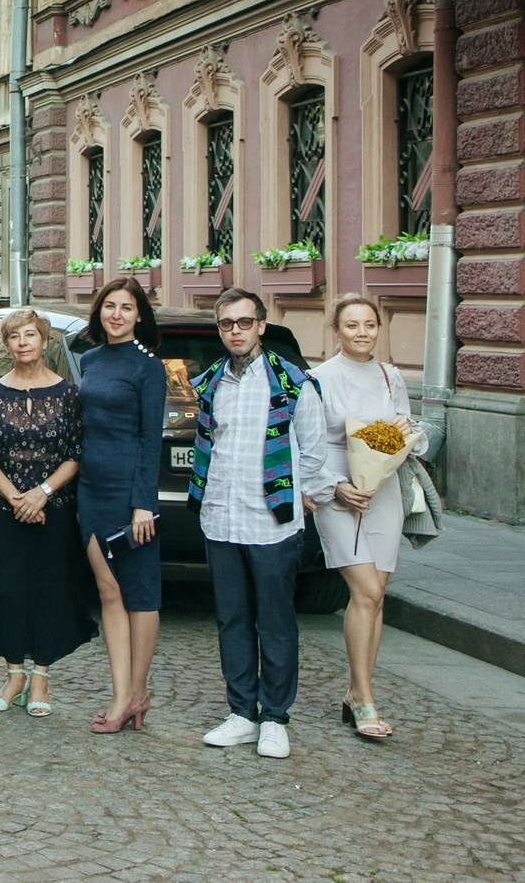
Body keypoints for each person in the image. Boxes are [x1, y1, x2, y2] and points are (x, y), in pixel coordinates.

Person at [191, 287, 336, 760]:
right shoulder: (211, 381)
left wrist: (305, 497)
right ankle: (241, 713)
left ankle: (275, 717)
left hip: (272, 522)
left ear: (261, 326)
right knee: (231, 619)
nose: (236, 331)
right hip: (221, 518)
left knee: (275, 623)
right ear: (220, 329)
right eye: (227, 324)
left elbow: (314, 449)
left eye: (244, 322)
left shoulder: (292, 382)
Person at [310, 293, 429, 741]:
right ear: (336, 331)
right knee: (368, 589)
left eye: (370, 324)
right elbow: (308, 443)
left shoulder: (389, 375)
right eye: (353, 325)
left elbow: (407, 431)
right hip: (338, 491)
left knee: (377, 597)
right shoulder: (318, 379)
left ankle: (358, 690)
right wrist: (335, 486)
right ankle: (363, 699)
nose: (363, 332)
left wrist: (404, 438)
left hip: (383, 490)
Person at [0, 308, 95, 718]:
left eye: (30, 335)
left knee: (50, 588)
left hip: (55, 506)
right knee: (8, 588)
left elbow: (76, 453)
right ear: (6, 346)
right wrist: (16, 499)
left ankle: (41, 675)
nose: (23, 342)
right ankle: (14, 674)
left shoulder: (68, 394)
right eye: (15, 337)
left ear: (45, 341)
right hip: (3, 509)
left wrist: (40, 494)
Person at [75, 278, 168, 734]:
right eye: (109, 306)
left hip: (130, 495)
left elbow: (152, 439)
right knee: (108, 591)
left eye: (126, 308)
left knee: (140, 594)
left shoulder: (149, 368)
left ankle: (136, 692)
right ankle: (120, 693)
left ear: (138, 316)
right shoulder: (90, 360)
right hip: (91, 489)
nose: (116, 315)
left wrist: (143, 504)